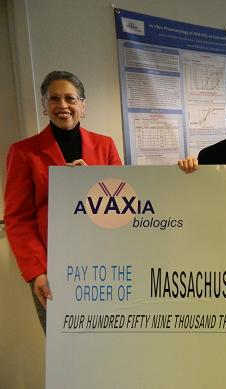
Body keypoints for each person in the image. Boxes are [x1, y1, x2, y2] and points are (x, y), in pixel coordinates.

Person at [4, 70, 122, 332]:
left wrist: (90, 183)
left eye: (70, 98)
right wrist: (37, 271)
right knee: (64, 349)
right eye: (54, 99)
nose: (63, 106)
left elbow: (121, 207)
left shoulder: (106, 146)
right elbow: (18, 219)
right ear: (45, 106)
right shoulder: (23, 152)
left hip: (104, 266)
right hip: (52, 270)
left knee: (110, 343)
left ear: (83, 105)